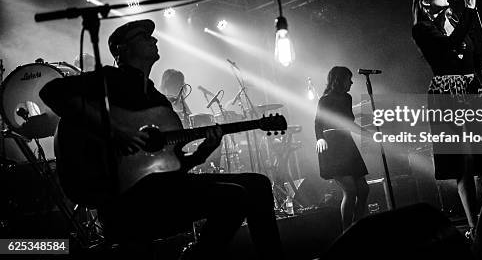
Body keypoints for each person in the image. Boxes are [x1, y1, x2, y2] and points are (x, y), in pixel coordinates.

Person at [40, 19, 283, 259]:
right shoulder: (110, 79)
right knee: (234, 197)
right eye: (143, 36)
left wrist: (204, 151)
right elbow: (50, 91)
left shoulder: (159, 101)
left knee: (259, 184)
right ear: (121, 50)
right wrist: (115, 131)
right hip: (125, 199)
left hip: (160, 189)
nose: (153, 39)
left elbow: (173, 168)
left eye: (152, 36)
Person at [411, 0, 482, 240]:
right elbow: (447, 47)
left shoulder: (458, 22)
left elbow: (471, 60)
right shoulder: (422, 28)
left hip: (473, 90)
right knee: (463, 161)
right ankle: (474, 227)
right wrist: (470, 11)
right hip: (448, 92)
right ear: (425, 1)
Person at [315, 66, 369, 231]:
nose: (351, 82)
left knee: (364, 189)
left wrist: (368, 134)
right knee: (350, 190)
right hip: (332, 146)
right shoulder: (324, 100)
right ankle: (347, 231)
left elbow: (349, 123)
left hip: (347, 143)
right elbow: (318, 122)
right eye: (348, 79)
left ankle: (358, 224)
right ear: (339, 80)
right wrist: (320, 138)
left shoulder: (347, 98)